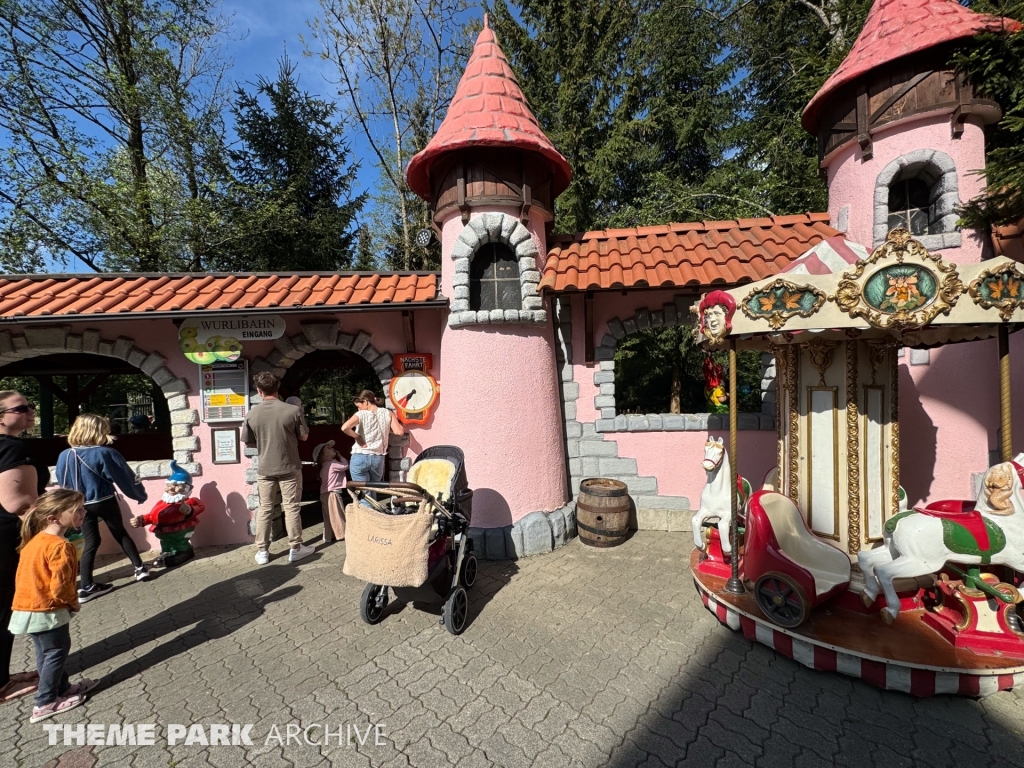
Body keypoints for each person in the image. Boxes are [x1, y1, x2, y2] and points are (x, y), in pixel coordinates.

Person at [9, 489, 96, 723]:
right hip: (47, 610)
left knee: (46, 654)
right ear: (53, 518)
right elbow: (60, 588)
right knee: (56, 652)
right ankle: (45, 702)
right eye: (77, 509)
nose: (83, 512)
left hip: (27, 609)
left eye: (82, 507)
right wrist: (73, 603)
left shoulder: (35, 541)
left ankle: (63, 688)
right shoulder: (61, 546)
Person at [55, 414, 149, 602]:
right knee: (120, 533)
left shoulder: (65, 454)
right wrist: (140, 495)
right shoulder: (105, 452)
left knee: (91, 542)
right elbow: (125, 477)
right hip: (103, 500)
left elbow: (61, 479)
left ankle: (86, 586)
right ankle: (139, 568)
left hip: (79, 504)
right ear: (98, 430)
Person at [0, 391, 48, 703]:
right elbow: (16, 502)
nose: (30, 411)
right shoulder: (11, 446)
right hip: (6, 540)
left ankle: (3, 677)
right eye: (21, 408)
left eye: (30, 405)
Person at [240, 372, 311, 565]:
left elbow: (248, 443)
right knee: (292, 507)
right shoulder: (292, 411)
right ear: (277, 389)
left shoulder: (251, 414)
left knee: (264, 508)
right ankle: (295, 548)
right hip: (289, 466)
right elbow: (304, 437)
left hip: (265, 468)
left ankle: (262, 550)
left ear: (259, 391)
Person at [129, 462, 205, 568]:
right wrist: (141, 520)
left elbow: (200, 507)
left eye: (177, 486)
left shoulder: (190, 501)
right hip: (163, 530)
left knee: (178, 541)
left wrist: (189, 510)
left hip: (181, 529)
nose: (171, 489)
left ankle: (184, 552)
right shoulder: (162, 503)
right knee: (165, 542)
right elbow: (152, 515)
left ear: (187, 488)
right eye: (169, 486)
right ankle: (167, 553)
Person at [342, 391, 404, 492]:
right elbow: (399, 431)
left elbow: (345, 427)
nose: (358, 409)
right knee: (374, 490)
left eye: (359, 406)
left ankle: (366, 508)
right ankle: (372, 508)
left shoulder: (361, 414)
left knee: (363, 494)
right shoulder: (387, 413)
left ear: (366, 402)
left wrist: (357, 437)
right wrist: (387, 428)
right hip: (378, 458)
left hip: (360, 456)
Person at [313, 441, 347, 543]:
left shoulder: (323, 466)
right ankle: (342, 534)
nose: (332, 448)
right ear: (324, 455)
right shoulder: (332, 464)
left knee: (328, 516)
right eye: (328, 448)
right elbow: (345, 466)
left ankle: (328, 536)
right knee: (337, 514)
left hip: (324, 494)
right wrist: (341, 457)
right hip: (333, 493)